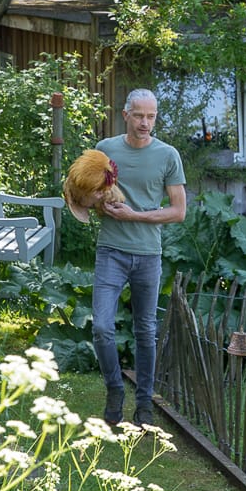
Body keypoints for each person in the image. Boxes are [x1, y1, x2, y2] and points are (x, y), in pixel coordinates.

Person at [84, 88, 186, 426]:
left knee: (145, 331)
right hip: (111, 251)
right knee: (101, 327)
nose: (145, 123)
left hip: (148, 255)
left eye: (151, 116)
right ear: (125, 114)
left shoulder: (168, 155)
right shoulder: (105, 151)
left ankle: (144, 404)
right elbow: (87, 195)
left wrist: (136, 216)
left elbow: (177, 212)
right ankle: (115, 389)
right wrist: (101, 204)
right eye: (139, 115)